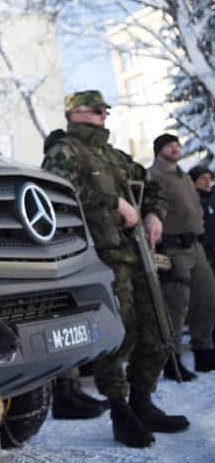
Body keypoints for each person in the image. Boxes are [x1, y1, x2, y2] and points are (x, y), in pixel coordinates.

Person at [42, 90, 188, 448]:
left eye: (105, 109)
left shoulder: (115, 156)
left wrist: (154, 213)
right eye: (97, 109)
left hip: (136, 254)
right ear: (75, 114)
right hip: (99, 259)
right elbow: (54, 195)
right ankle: (120, 410)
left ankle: (143, 401)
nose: (104, 115)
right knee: (116, 336)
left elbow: (154, 188)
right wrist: (113, 202)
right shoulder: (64, 152)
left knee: (155, 329)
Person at [41, 130, 108, 420]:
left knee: (71, 323)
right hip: (55, 260)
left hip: (70, 256)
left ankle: (71, 390)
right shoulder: (48, 185)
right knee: (59, 322)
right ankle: (63, 395)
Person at [150, 134, 215, 377]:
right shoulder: (153, 176)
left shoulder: (184, 176)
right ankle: (172, 359)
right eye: (170, 145)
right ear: (159, 150)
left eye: (178, 145)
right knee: (177, 304)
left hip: (196, 246)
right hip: (172, 247)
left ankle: (204, 351)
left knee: (207, 298)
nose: (176, 149)